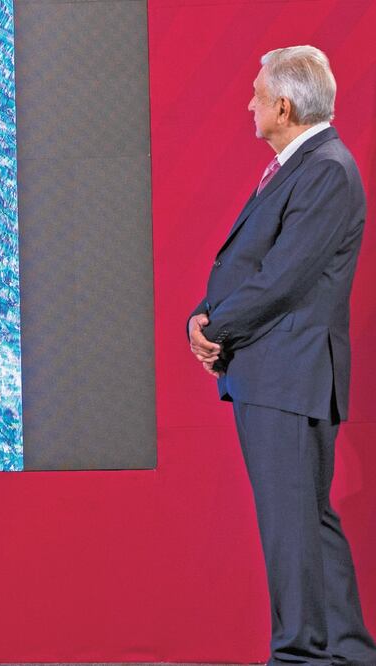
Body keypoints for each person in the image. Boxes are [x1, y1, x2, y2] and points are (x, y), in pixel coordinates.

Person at [187, 46, 376, 665]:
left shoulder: (324, 169)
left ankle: (301, 656)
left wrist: (215, 328)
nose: (249, 103)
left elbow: (282, 279)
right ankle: (346, 652)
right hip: (277, 371)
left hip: (290, 373)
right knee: (306, 521)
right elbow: (255, 264)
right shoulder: (306, 165)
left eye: (257, 93)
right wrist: (205, 317)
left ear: (285, 106)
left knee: (291, 527)